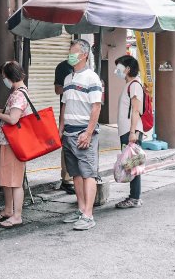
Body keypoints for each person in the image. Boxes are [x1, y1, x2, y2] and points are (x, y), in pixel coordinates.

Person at [60, 39, 102, 231]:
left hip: (84, 132)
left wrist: (88, 132)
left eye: (74, 51)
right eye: (70, 50)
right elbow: (64, 106)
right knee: (75, 173)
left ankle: (88, 215)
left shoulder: (92, 78)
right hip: (68, 132)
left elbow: (96, 107)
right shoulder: (68, 79)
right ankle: (80, 209)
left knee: (87, 173)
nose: (70, 54)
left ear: (84, 55)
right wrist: (60, 130)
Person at [0, 61, 29, 228]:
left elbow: (13, 119)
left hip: (13, 144)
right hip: (7, 142)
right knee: (6, 179)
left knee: (14, 181)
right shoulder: (16, 92)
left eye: (4, 77)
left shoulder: (18, 95)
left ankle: (17, 216)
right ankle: (8, 210)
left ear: (10, 76)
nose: (3, 80)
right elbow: (10, 112)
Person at [113, 54, 144, 209]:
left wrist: (133, 132)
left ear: (128, 69)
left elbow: (136, 111)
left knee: (133, 164)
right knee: (130, 164)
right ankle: (134, 196)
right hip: (127, 130)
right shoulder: (129, 84)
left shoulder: (135, 85)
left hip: (131, 131)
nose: (116, 70)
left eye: (119, 67)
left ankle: (135, 198)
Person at [54, 59, 76, 194]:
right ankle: (67, 180)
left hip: (84, 115)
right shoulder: (63, 68)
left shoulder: (88, 69)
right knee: (67, 145)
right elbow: (57, 90)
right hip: (67, 113)